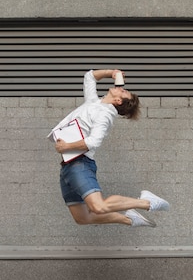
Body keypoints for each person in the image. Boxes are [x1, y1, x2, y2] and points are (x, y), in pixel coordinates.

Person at [48, 69, 170, 227]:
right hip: (67, 166)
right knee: (82, 218)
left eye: (124, 91)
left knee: (98, 206)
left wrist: (67, 146)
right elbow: (89, 77)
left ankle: (146, 202)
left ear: (118, 101)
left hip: (80, 163)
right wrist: (110, 72)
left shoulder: (105, 115)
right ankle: (129, 219)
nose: (121, 87)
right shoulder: (94, 102)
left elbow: (93, 142)